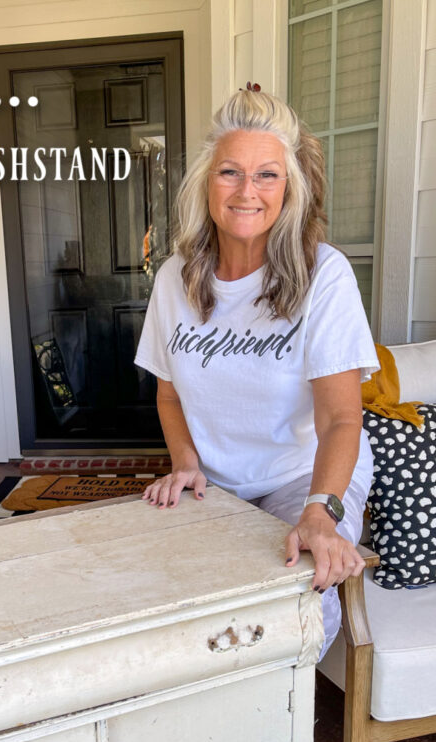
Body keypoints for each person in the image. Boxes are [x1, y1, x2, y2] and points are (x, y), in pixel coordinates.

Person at [135, 87, 379, 657]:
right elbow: (169, 397)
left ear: (289, 187)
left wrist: (321, 511)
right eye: (230, 172)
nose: (247, 191)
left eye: (267, 175)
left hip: (303, 476)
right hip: (217, 486)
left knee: (295, 606)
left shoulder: (326, 275)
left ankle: (276, 737)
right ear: (205, 184)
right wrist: (186, 465)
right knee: (164, 600)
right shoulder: (175, 278)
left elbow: (343, 418)